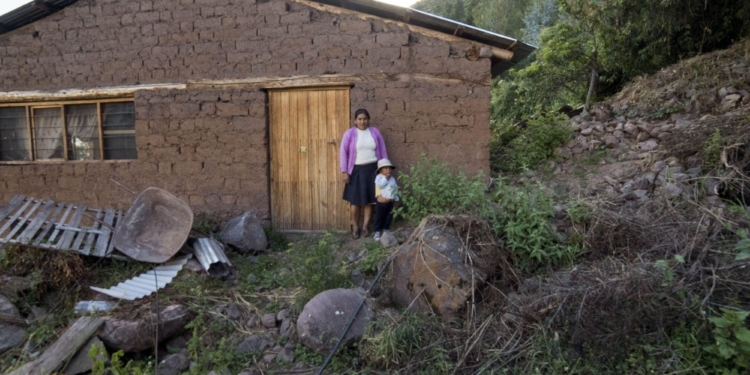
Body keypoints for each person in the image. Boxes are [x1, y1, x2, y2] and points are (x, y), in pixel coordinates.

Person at [340, 109, 388, 239]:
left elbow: (382, 151)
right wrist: (345, 172)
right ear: (355, 120)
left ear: (368, 120)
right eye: (359, 119)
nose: (362, 121)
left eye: (365, 119)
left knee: (369, 201)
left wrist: (384, 168)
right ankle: (355, 227)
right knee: (355, 201)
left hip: (372, 170)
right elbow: (343, 153)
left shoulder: (375, 132)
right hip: (355, 171)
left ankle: (366, 226)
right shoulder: (349, 134)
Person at [373, 159, 399, 241]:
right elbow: (380, 185)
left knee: (388, 216)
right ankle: (377, 231)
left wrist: (396, 199)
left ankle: (385, 229)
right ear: (381, 170)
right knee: (379, 216)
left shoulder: (392, 179)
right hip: (381, 203)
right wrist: (386, 178)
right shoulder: (379, 177)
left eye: (389, 168)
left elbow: (395, 189)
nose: (388, 170)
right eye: (386, 168)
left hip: (390, 202)